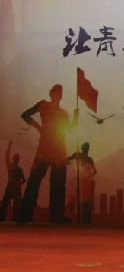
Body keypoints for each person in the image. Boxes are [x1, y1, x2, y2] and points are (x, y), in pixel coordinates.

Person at [18, 84, 77, 223]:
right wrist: (38, 127)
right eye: (56, 92)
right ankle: (25, 214)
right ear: (51, 93)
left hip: (59, 153)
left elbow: (70, 130)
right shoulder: (43, 105)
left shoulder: (63, 114)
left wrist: (75, 117)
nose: (58, 94)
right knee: (34, 181)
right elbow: (25, 115)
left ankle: (56, 216)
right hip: (44, 150)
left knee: (58, 185)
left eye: (60, 92)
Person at [67, 142, 97, 224]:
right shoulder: (80, 156)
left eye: (86, 149)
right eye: (86, 149)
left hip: (85, 182)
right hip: (80, 181)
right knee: (75, 199)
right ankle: (72, 217)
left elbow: (94, 171)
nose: (86, 150)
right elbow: (69, 159)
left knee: (85, 201)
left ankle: (84, 219)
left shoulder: (88, 159)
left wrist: (88, 177)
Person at [1, 142, 25, 222]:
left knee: (15, 205)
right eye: (16, 158)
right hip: (11, 188)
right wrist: (9, 146)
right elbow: (7, 156)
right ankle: (2, 219)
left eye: (18, 158)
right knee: (5, 204)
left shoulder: (18, 169)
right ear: (14, 159)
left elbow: (23, 179)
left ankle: (14, 220)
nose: (17, 160)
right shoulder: (11, 167)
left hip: (15, 188)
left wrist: (19, 184)